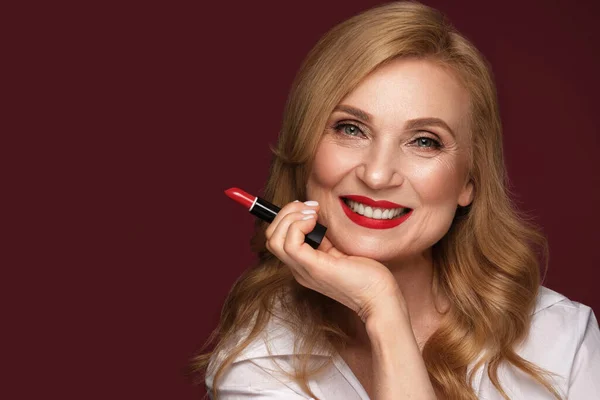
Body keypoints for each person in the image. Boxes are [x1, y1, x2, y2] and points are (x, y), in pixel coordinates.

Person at [195, 2, 600, 399]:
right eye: (351, 129)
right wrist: (382, 308)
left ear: (468, 181)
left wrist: (383, 312)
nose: (376, 174)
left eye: (424, 141)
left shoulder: (560, 343)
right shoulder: (259, 362)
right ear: (306, 148)